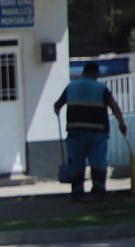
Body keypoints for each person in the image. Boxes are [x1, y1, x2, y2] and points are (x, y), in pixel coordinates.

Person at [54, 62, 128, 200]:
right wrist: (122, 124)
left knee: (76, 163)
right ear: (95, 73)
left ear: (83, 72)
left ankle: (77, 193)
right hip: (97, 133)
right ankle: (99, 192)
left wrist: (58, 111)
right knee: (98, 161)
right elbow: (114, 106)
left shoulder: (71, 87)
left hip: (75, 133)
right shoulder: (101, 88)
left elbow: (57, 106)